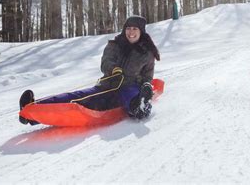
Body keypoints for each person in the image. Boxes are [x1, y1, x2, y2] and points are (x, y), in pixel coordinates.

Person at [19, 15, 160, 124]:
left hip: (130, 86)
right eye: (128, 28)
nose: (131, 32)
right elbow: (105, 62)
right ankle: (32, 110)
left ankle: (141, 106)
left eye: (135, 29)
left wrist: (146, 85)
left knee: (130, 96)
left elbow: (147, 76)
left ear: (141, 31)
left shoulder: (147, 53)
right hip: (107, 85)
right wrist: (114, 69)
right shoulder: (114, 45)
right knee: (79, 97)